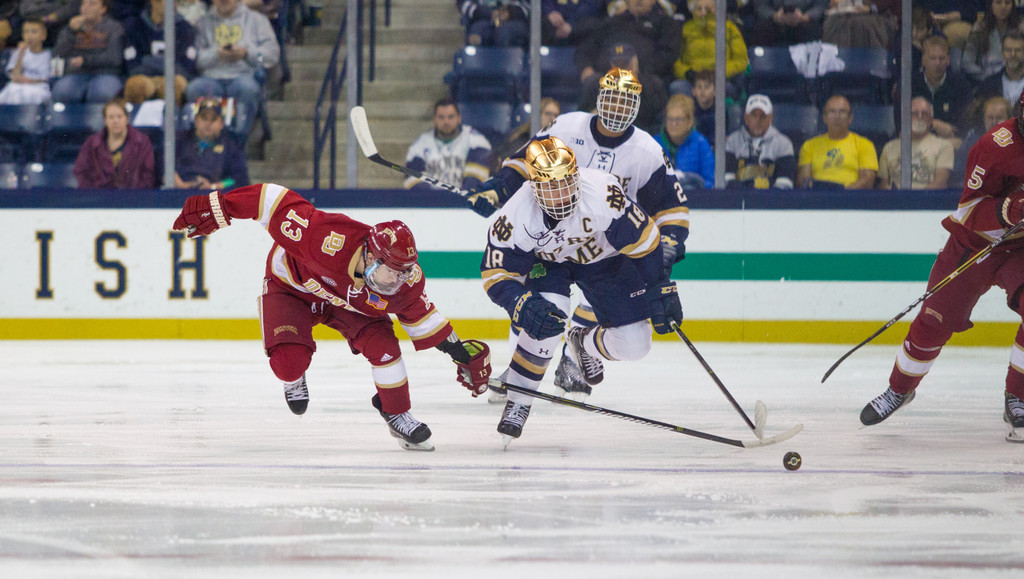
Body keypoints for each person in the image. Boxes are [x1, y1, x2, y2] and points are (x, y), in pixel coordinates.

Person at [171, 184, 493, 451]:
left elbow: (424, 319)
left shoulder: (403, 283)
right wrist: (220, 206)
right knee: (288, 363)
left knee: (386, 350)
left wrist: (460, 352)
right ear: (369, 254)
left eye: (400, 275)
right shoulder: (323, 239)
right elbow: (270, 200)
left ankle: (398, 415)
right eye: (385, 272)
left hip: (350, 305)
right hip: (294, 287)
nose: (392, 283)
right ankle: (294, 377)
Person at [468, 66, 689, 402]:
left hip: (606, 249)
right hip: (552, 246)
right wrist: (498, 189)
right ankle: (519, 372)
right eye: (611, 100)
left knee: (616, 319)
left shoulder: (647, 151)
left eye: (624, 101)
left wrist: (667, 252)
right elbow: (524, 162)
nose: (616, 109)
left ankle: (576, 354)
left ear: (637, 106)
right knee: (537, 309)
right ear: (598, 99)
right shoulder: (567, 126)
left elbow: (670, 208)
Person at [480, 136, 682, 446]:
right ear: (534, 187)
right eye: (550, 186)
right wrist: (520, 302)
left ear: (577, 175)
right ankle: (519, 402)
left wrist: (660, 285)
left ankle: (584, 343)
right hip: (547, 266)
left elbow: (645, 240)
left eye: (566, 182)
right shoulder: (516, 215)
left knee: (636, 346)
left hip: (602, 260)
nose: (561, 194)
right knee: (545, 318)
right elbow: (495, 273)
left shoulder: (604, 192)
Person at [859, 92, 1024, 442]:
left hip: (1021, 250)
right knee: (934, 321)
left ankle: (1018, 397)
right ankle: (899, 389)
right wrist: (1006, 211)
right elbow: (966, 212)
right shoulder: (995, 146)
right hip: (972, 247)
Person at [186, 0, 279, 139]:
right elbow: (195, 60)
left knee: (246, 88)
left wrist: (247, 54)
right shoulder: (202, 23)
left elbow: (272, 55)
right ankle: (205, 144)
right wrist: (216, 54)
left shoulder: (258, 20)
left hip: (244, 76)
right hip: (211, 78)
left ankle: (237, 142)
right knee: (195, 89)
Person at [574, 0, 680, 85]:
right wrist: (586, 67)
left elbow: (667, 56)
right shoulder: (611, 22)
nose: (639, 1)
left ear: (653, 1)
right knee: (592, 82)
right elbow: (586, 47)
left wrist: (640, 69)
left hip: (644, 78)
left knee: (654, 84)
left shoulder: (666, 24)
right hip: (608, 78)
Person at [404, 96, 492, 193]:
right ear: (434, 119)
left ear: (459, 118)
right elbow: (414, 182)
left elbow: (476, 179)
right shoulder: (420, 145)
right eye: (441, 117)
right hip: (431, 203)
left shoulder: (477, 141)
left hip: (465, 202)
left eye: (451, 117)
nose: (446, 122)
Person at [578, 42, 667, 134]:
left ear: (634, 62)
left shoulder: (652, 85)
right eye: (617, 64)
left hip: (642, 137)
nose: (621, 69)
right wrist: (592, 118)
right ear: (611, 64)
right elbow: (581, 116)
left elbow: (661, 120)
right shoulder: (596, 85)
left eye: (625, 64)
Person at [122, 0, 197, 106]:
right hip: (144, 76)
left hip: (174, 77)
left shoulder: (185, 28)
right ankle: (136, 121)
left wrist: (148, 61)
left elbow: (186, 66)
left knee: (175, 85)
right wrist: (167, 64)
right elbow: (132, 65)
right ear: (154, 2)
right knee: (136, 85)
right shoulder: (135, 26)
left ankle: (174, 119)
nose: (174, 5)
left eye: (176, 2)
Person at [670, 0, 748, 100]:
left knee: (728, 89)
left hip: (721, 80)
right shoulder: (686, 29)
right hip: (693, 81)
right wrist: (687, 73)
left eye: (707, 9)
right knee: (677, 87)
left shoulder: (729, 28)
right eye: (699, 9)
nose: (703, 12)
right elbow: (676, 60)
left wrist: (720, 72)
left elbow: (741, 60)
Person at [796, 94, 878, 190]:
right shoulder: (809, 146)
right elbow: (803, 182)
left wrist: (841, 195)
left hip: (851, 200)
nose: (837, 116)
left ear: (850, 118)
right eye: (832, 112)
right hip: (818, 201)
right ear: (824, 118)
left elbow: (867, 181)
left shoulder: (865, 145)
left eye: (842, 112)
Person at [52, 0, 125, 104]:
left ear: (103, 9)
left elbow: (114, 58)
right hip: (76, 73)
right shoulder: (71, 28)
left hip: (106, 73)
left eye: (92, 4)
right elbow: (58, 54)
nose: (86, 7)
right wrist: (71, 32)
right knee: (62, 93)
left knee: (102, 95)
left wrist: (85, 60)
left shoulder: (114, 27)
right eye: (83, 4)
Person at [73, 97, 156, 188]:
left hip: (133, 198)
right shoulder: (91, 143)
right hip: (98, 198)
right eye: (111, 117)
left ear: (127, 119)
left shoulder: (143, 142)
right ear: (105, 121)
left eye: (119, 116)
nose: (115, 121)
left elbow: (148, 175)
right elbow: (81, 172)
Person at [876, 97, 954, 190]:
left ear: (931, 119)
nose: (920, 117)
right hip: (895, 202)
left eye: (924, 114)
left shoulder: (944, 146)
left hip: (928, 201)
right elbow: (882, 185)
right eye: (914, 114)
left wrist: (914, 199)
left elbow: (940, 183)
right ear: (906, 118)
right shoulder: (889, 147)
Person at [174, 97, 249, 189]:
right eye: (204, 118)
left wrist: (214, 186)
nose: (208, 123)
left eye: (213, 119)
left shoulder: (231, 145)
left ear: (221, 124)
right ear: (196, 121)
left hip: (214, 196)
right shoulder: (180, 139)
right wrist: (181, 184)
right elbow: (164, 167)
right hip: (178, 192)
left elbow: (239, 179)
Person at [724, 94, 796, 190]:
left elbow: (785, 184)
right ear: (746, 118)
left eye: (763, 116)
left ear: (770, 118)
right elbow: (726, 180)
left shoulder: (783, 143)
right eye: (754, 115)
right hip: (738, 201)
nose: (758, 120)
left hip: (772, 202)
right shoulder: (733, 141)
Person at [911, 35, 973, 140]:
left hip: (949, 141)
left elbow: (964, 126)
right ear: (923, 60)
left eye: (941, 58)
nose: (937, 63)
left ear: (948, 60)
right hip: (915, 140)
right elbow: (901, 123)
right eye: (932, 58)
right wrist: (933, 124)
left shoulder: (961, 85)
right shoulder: (910, 84)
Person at [655, 93, 714, 189]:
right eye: (670, 119)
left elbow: (711, 182)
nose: (673, 124)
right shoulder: (654, 144)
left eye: (678, 119)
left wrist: (694, 184)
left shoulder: (701, 144)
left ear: (690, 121)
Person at [953, 96, 1012, 188]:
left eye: (999, 117)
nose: (994, 122)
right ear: (984, 119)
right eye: (990, 118)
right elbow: (958, 178)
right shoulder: (971, 144)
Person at [491, 97, 560, 173]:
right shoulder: (522, 138)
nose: (552, 118)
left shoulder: (559, 142)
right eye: (548, 113)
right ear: (537, 115)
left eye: (556, 115)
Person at [961, 0, 1023, 84]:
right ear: (991, 5)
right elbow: (967, 62)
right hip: (987, 83)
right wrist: (987, 78)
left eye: (1007, 3)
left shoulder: (1021, 30)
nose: (1003, 7)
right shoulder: (979, 28)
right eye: (998, 2)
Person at [0, 18, 50, 104]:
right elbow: (14, 75)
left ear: (43, 35)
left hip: (38, 88)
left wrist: (28, 80)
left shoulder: (48, 55)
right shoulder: (18, 52)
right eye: (26, 32)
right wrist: (21, 54)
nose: (29, 36)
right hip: (17, 87)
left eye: (34, 32)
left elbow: (46, 78)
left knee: (28, 94)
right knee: (11, 91)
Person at [974, 31, 1024, 107]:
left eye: (1018, 50)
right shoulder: (987, 85)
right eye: (1008, 50)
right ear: (1002, 52)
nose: (1013, 54)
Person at [749, 0, 830, 47]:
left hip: (805, 18)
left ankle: (811, 70)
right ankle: (761, 70)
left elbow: (822, 5)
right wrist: (775, 16)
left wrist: (805, 17)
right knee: (762, 29)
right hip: (775, 16)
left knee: (813, 31)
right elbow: (760, 5)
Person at [457, 0, 529, 48]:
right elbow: (464, 4)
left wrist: (510, 13)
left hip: (514, 20)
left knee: (504, 33)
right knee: (477, 32)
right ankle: (474, 68)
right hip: (483, 17)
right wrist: (486, 13)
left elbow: (530, 6)